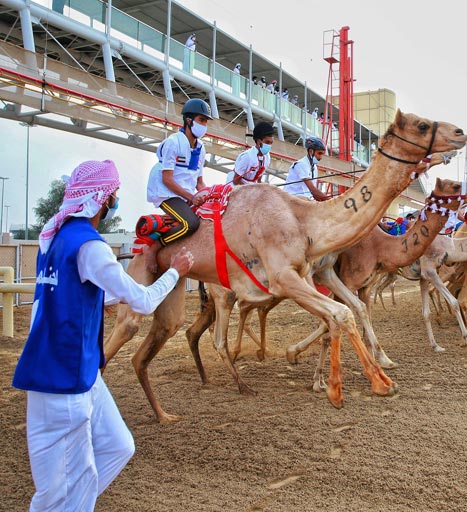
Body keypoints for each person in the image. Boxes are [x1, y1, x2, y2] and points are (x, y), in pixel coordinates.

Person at [12, 159, 194, 512]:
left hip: (78, 374)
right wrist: (175, 272)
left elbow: (70, 291)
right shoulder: (90, 247)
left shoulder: (54, 240)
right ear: (104, 198)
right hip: (64, 383)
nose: (115, 201)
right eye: (114, 195)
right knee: (56, 492)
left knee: (118, 447)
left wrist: (103, 298)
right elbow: (141, 301)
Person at [145, 98, 213, 272]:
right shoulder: (173, 143)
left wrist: (210, 195)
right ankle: (153, 248)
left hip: (187, 193)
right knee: (190, 223)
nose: (204, 125)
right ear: (189, 120)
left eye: (206, 121)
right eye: (201, 120)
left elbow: (199, 182)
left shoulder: (201, 148)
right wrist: (191, 197)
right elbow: (167, 179)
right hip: (166, 192)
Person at [227, 121, 275, 186]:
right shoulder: (247, 157)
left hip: (251, 188)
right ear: (258, 141)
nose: (269, 145)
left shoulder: (267, 157)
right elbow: (236, 180)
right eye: (267, 142)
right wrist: (252, 190)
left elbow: (258, 180)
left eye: (271, 143)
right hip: (235, 187)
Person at [283, 136, 329, 201]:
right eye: (319, 153)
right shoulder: (301, 164)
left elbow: (314, 193)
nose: (320, 157)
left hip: (304, 200)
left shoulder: (314, 167)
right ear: (311, 151)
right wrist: (330, 201)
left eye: (322, 154)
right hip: (292, 200)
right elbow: (312, 189)